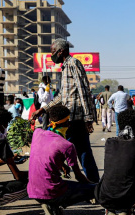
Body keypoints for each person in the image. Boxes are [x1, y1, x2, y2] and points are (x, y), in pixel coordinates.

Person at [32, 38, 99, 183]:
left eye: (53, 52)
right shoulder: (65, 67)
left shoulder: (73, 64)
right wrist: (43, 109)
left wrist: (88, 118)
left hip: (77, 119)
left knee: (83, 153)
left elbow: (83, 91)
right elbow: (62, 96)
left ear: (61, 51)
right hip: (67, 120)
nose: (52, 55)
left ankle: (93, 186)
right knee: (66, 151)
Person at [28, 105, 96, 215]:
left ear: (50, 120)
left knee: (58, 184)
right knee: (91, 189)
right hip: (51, 191)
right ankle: (54, 203)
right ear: (68, 123)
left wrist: (62, 165)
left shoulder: (37, 133)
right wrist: (94, 186)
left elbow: (47, 155)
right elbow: (78, 176)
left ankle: (51, 205)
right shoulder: (67, 145)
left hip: (33, 191)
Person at [95, 109, 135, 215]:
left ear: (119, 124)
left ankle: (109, 211)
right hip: (126, 197)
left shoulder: (109, 142)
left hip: (104, 196)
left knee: (109, 176)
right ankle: (127, 211)